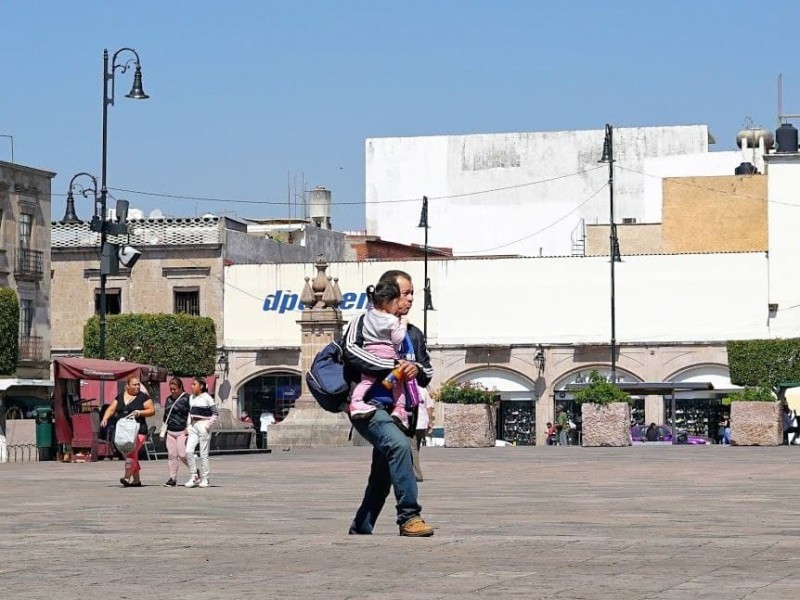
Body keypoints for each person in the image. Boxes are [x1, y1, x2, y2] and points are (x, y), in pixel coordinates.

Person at [344, 269, 434, 537]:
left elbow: (427, 372)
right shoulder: (362, 321)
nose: (410, 300)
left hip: (401, 410)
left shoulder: (413, 333)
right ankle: (409, 516)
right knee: (398, 446)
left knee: (383, 473)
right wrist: (392, 365)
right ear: (390, 295)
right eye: (405, 294)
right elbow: (351, 353)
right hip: (368, 406)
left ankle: (361, 526)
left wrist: (414, 368)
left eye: (412, 294)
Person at [348, 279, 417, 428]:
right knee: (397, 382)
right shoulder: (391, 319)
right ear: (388, 302)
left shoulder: (366, 316)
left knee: (366, 381)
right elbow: (398, 339)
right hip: (388, 353)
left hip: (369, 351)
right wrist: (402, 325)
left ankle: (356, 402)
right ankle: (399, 408)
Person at [101, 375, 155, 487]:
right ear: (127, 386)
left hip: (139, 430)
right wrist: (105, 418)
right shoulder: (120, 397)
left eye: (138, 384)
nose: (137, 387)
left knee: (130, 452)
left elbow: (151, 410)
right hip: (124, 431)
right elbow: (111, 409)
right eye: (134, 385)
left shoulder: (143, 397)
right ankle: (136, 480)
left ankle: (126, 476)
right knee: (131, 454)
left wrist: (139, 412)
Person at [184, 377, 219, 488]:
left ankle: (206, 478)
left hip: (203, 424)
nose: (192, 386)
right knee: (188, 451)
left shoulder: (207, 398)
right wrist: (188, 425)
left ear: (201, 386)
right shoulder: (191, 398)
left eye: (194, 384)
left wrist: (208, 425)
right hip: (193, 425)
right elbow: (190, 412)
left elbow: (215, 413)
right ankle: (194, 476)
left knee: (204, 454)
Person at [162, 377, 191, 487]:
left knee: (182, 454)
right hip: (170, 430)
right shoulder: (169, 399)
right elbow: (166, 414)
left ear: (180, 388)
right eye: (171, 389)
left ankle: (194, 471)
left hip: (183, 430)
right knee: (172, 455)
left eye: (175, 389)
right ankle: (172, 478)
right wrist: (164, 427)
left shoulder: (187, 398)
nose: (173, 391)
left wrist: (189, 426)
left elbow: (192, 413)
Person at [411, 386, 434, 482]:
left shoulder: (407, 388)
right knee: (416, 448)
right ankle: (412, 471)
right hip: (423, 423)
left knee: (413, 449)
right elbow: (429, 407)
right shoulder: (423, 389)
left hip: (412, 423)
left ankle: (417, 475)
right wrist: (429, 421)